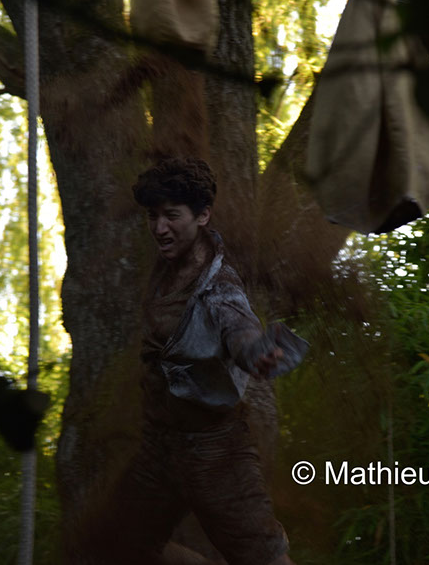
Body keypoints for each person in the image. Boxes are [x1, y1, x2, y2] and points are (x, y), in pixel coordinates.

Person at [87, 156, 307, 565]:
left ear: (202, 215)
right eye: (153, 216)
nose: (159, 227)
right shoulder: (167, 264)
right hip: (159, 448)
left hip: (215, 452)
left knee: (264, 558)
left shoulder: (219, 288)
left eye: (172, 216)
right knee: (120, 547)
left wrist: (255, 353)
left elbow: (240, 328)